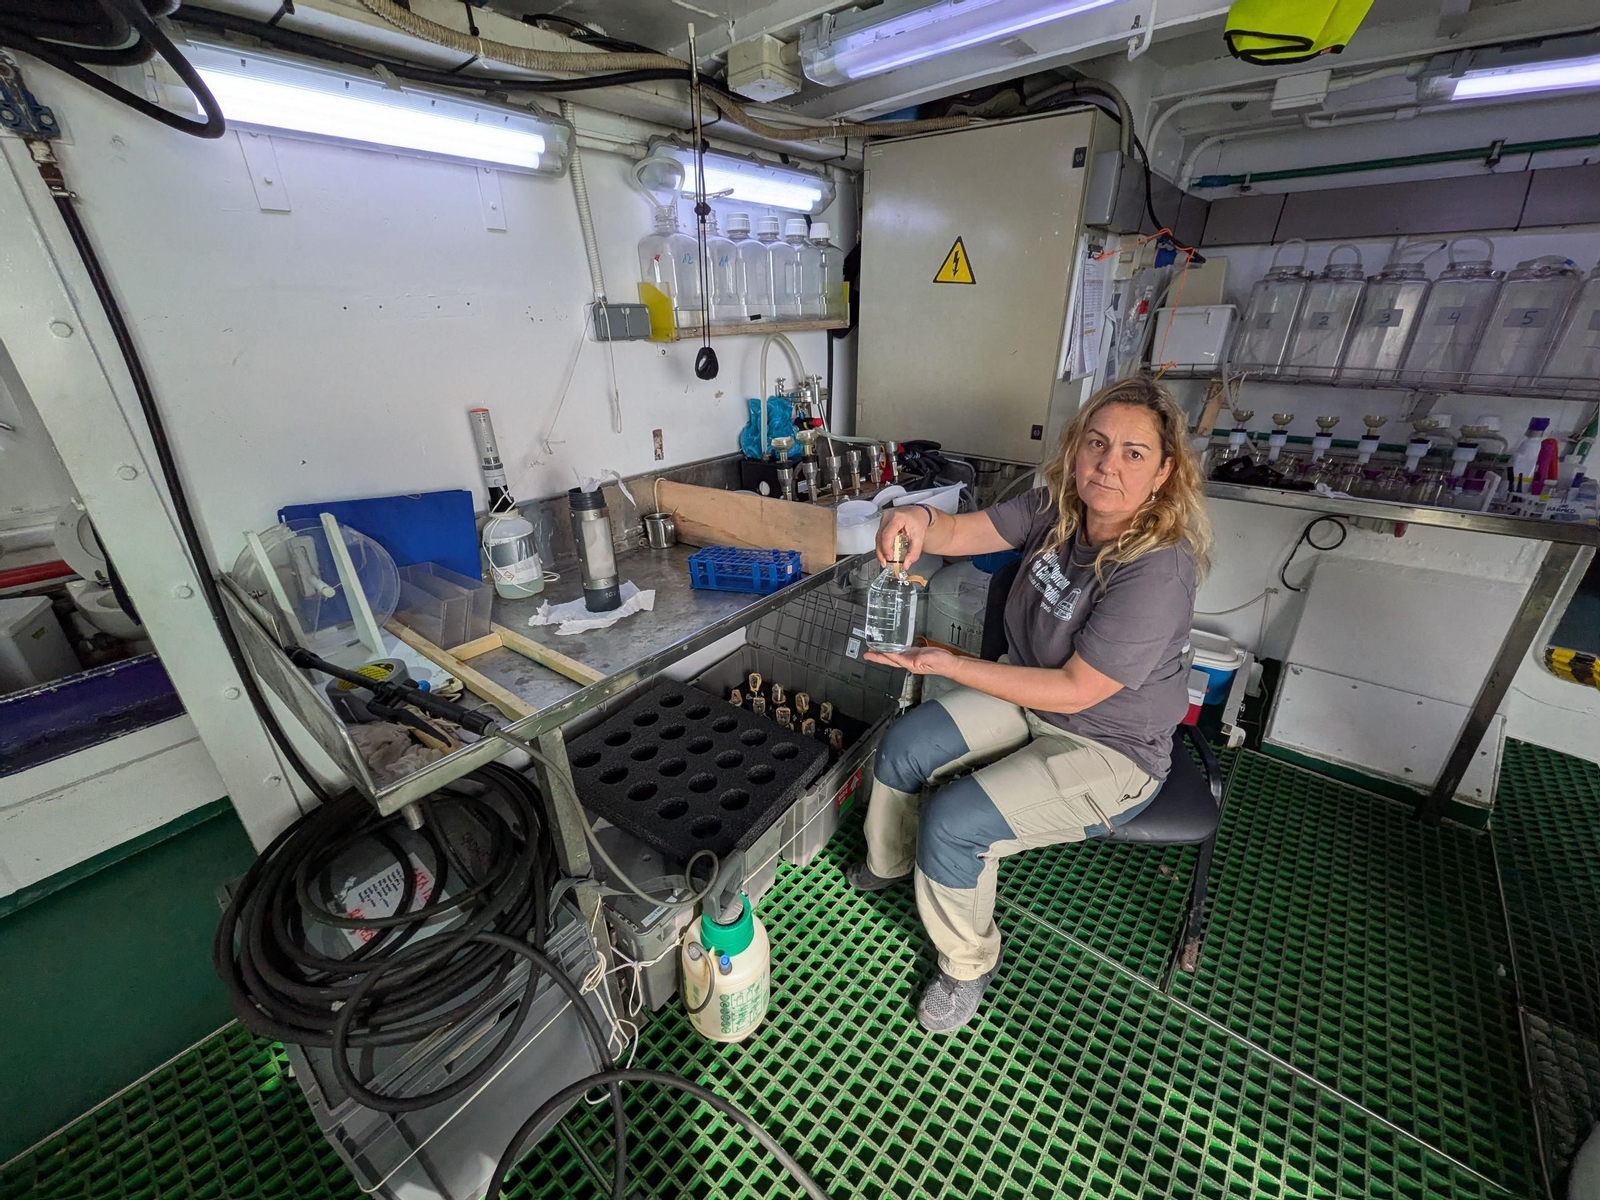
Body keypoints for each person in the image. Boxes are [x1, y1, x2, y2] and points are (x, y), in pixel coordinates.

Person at [851, 377, 1212, 1033]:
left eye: (1134, 453)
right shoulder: (1057, 507)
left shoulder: (1157, 569)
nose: (1109, 463)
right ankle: (887, 863)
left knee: (956, 822)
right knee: (903, 746)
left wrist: (953, 665)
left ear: (1164, 473)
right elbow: (961, 531)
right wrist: (914, 519)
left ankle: (965, 966)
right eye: (1098, 443)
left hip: (1109, 746)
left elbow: (1078, 690)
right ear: (1077, 450)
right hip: (1032, 693)